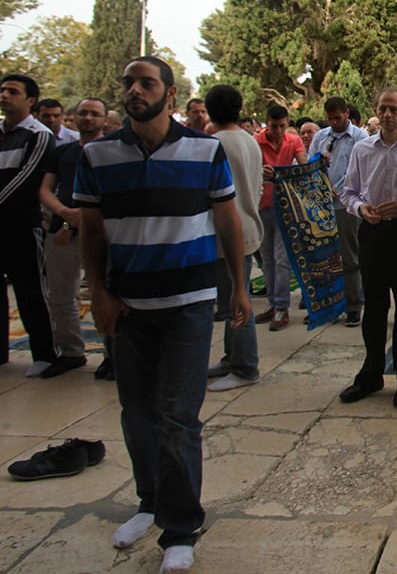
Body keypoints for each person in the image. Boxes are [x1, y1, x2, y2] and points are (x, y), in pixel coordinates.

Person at [76, 56, 250, 573]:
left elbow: (227, 221)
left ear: (169, 95)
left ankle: (179, 527)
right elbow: (91, 228)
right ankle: (149, 500)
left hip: (188, 305)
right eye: (128, 82)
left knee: (177, 417)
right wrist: (99, 292)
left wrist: (239, 287)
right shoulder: (99, 155)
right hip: (128, 306)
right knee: (137, 412)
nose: (135, 90)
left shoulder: (204, 150)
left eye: (146, 83)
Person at [337, 89, 397, 410]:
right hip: (372, 233)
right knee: (374, 308)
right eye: (382, 109)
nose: (388, 114)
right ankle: (371, 373)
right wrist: (362, 209)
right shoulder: (362, 149)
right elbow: (348, 192)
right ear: (375, 111)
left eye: (394, 109)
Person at [37, 97, 107, 377]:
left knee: (106, 293)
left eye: (94, 114)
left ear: (104, 120)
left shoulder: (112, 151)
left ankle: (112, 355)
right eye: (83, 113)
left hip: (99, 232)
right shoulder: (62, 152)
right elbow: (45, 189)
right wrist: (64, 214)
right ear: (74, 117)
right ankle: (71, 351)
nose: (88, 118)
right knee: (61, 297)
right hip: (60, 233)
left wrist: (78, 221)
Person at [204, 85, 265, 392]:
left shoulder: (213, 144)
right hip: (247, 228)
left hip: (227, 234)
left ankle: (245, 366)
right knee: (232, 298)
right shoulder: (250, 141)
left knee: (237, 302)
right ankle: (232, 357)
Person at [0, 73, 58, 375]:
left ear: (30, 100)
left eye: (13, 91)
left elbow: (26, 178)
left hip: (21, 224)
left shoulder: (38, 135)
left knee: (31, 289)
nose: (5, 95)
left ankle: (46, 353)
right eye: (3, 90)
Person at [310, 97, 369, 326]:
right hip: (322, 205)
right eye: (330, 118)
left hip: (347, 205)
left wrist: (341, 190)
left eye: (338, 117)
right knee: (323, 257)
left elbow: (362, 170)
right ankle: (328, 305)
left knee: (349, 257)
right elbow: (311, 165)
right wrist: (321, 179)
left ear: (347, 114)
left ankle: (354, 305)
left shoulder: (360, 138)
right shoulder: (320, 137)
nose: (334, 122)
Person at [252, 106, 306, 330]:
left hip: (285, 207)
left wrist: (278, 175)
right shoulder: (255, 142)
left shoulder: (293, 141)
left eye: (282, 126)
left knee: (281, 258)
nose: (278, 131)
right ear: (267, 123)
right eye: (274, 126)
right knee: (266, 260)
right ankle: (273, 303)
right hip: (261, 205)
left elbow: (303, 170)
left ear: (287, 123)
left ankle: (282, 306)